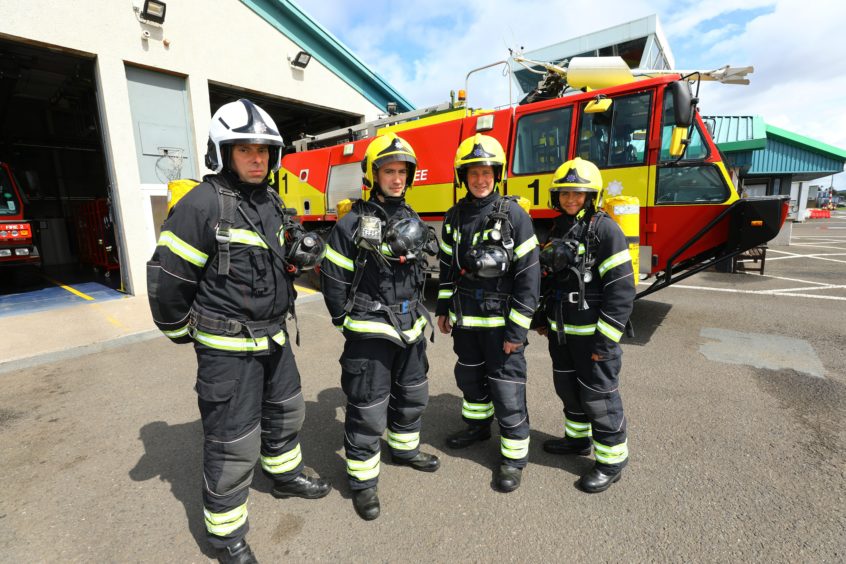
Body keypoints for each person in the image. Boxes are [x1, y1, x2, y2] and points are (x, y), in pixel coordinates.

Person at [147, 99, 330, 564]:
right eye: (246, 150)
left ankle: (284, 475)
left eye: (264, 151)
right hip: (227, 350)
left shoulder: (269, 200)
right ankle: (225, 532)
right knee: (233, 442)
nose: (257, 159)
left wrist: (302, 251)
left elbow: (284, 250)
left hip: (274, 339)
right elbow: (168, 282)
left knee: (286, 413)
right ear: (222, 153)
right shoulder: (202, 204)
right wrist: (179, 332)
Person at [320, 132, 440, 521]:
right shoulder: (353, 222)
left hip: (410, 325)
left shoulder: (411, 218)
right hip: (371, 328)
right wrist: (347, 322)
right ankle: (363, 483)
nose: (397, 178)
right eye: (389, 171)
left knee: (413, 394)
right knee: (368, 407)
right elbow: (334, 277)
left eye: (403, 171)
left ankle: (403, 449)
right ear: (373, 175)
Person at [436, 133, 540, 492]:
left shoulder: (514, 215)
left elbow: (529, 279)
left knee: (507, 390)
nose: (480, 180)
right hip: (466, 323)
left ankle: (513, 459)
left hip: (501, 326)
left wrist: (517, 332)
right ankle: (478, 428)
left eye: (487, 173)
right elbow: (448, 267)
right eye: (473, 173)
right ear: (463, 177)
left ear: (498, 175)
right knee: (469, 381)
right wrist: (444, 307)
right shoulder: (455, 216)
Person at [535, 157, 635, 493]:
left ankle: (611, 461)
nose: (571, 199)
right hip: (562, 336)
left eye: (578, 194)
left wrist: (605, 343)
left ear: (591, 195)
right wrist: (542, 318)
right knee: (569, 391)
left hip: (594, 340)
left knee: (599, 398)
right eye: (565, 194)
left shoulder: (605, 230)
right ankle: (577, 441)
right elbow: (550, 278)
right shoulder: (558, 228)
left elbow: (621, 291)